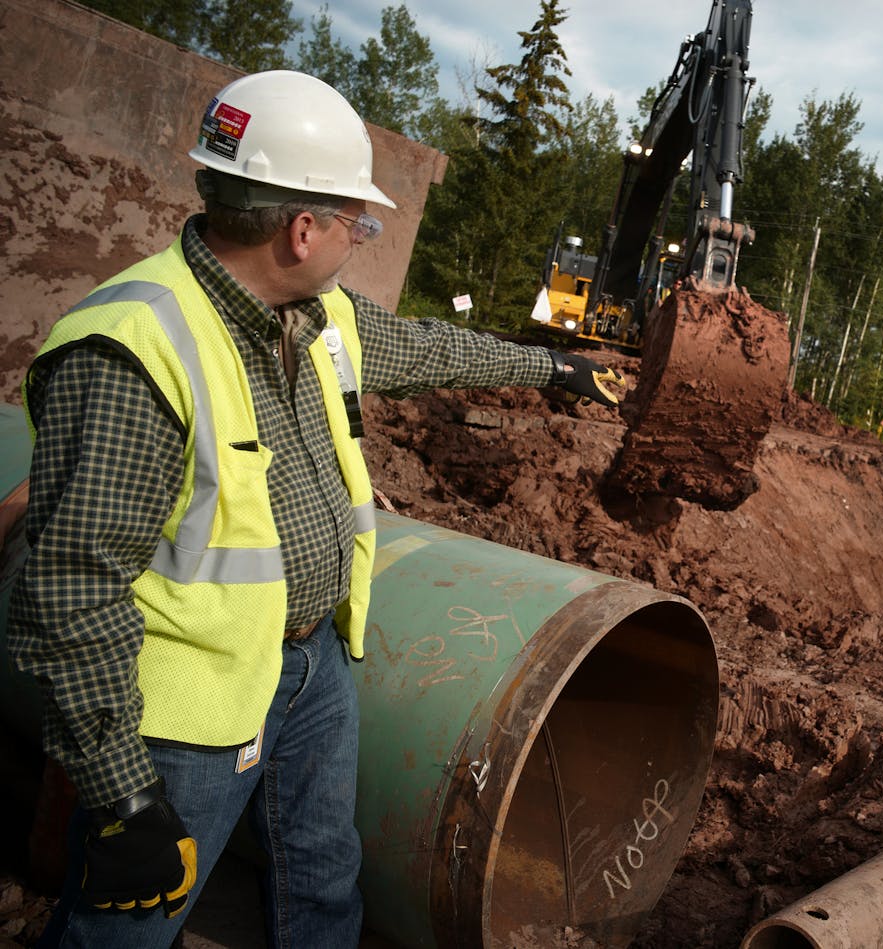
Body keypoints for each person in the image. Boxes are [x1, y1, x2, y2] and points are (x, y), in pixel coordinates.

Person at [10, 70, 625, 949]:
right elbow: (72, 591)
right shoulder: (133, 350)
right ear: (302, 230)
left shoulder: (315, 313)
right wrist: (123, 795)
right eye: (356, 222)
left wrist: (552, 369)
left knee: (325, 879)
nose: (361, 238)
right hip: (188, 716)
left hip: (313, 669)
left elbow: (421, 345)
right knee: (127, 926)